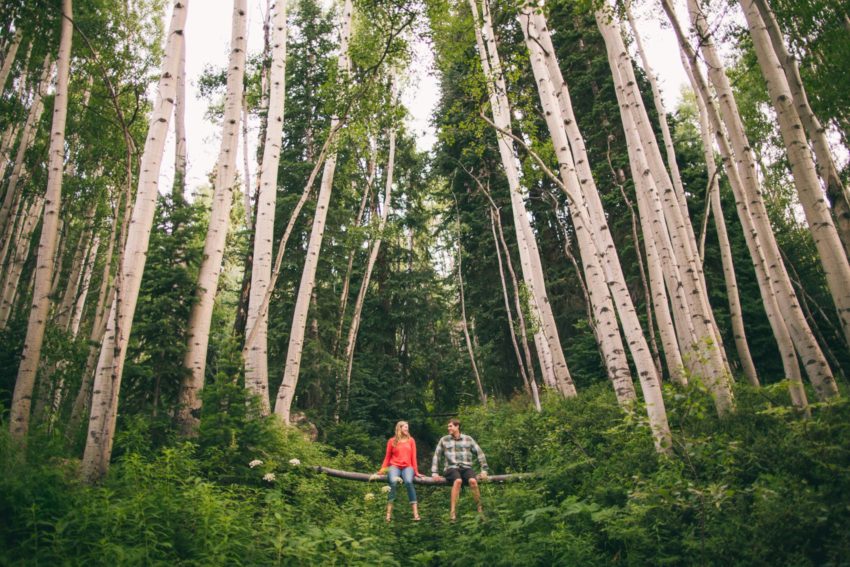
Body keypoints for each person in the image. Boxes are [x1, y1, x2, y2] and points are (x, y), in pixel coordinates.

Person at [431, 418, 489, 521]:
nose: (448, 428)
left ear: (457, 426)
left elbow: (480, 453)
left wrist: (484, 470)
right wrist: (434, 473)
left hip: (466, 467)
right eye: (448, 426)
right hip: (451, 468)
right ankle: (453, 513)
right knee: (458, 481)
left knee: (473, 481)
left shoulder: (468, 439)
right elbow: (437, 456)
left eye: (450, 426)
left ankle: (480, 510)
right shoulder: (444, 440)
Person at [377, 420, 423, 521]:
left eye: (408, 427)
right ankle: (388, 515)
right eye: (405, 427)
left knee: (408, 482)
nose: (407, 428)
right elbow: (387, 457)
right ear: (400, 428)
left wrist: (416, 471)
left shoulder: (411, 440)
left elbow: (413, 457)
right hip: (395, 466)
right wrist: (382, 470)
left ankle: (415, 514)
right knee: (393, 482)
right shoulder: (392, 441)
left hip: (407, 467)